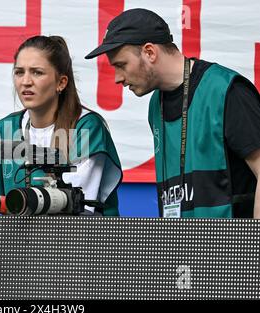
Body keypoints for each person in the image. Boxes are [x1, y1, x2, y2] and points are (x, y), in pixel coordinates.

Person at [85, 8, 260, 219]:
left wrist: (252, 245)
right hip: (180, 246)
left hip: (233, 247)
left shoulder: (225, 90)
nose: (117, 78)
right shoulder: (155, 105)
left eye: (121, 65)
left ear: (149, 52)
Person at [0, 35, 123, 216]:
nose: (26, 82)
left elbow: (70, 206)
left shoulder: (87, 127)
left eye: (37, 73)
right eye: (19, 72)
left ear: (61, 82)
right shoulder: (1, 131)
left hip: (82, 245)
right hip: (21, 247)